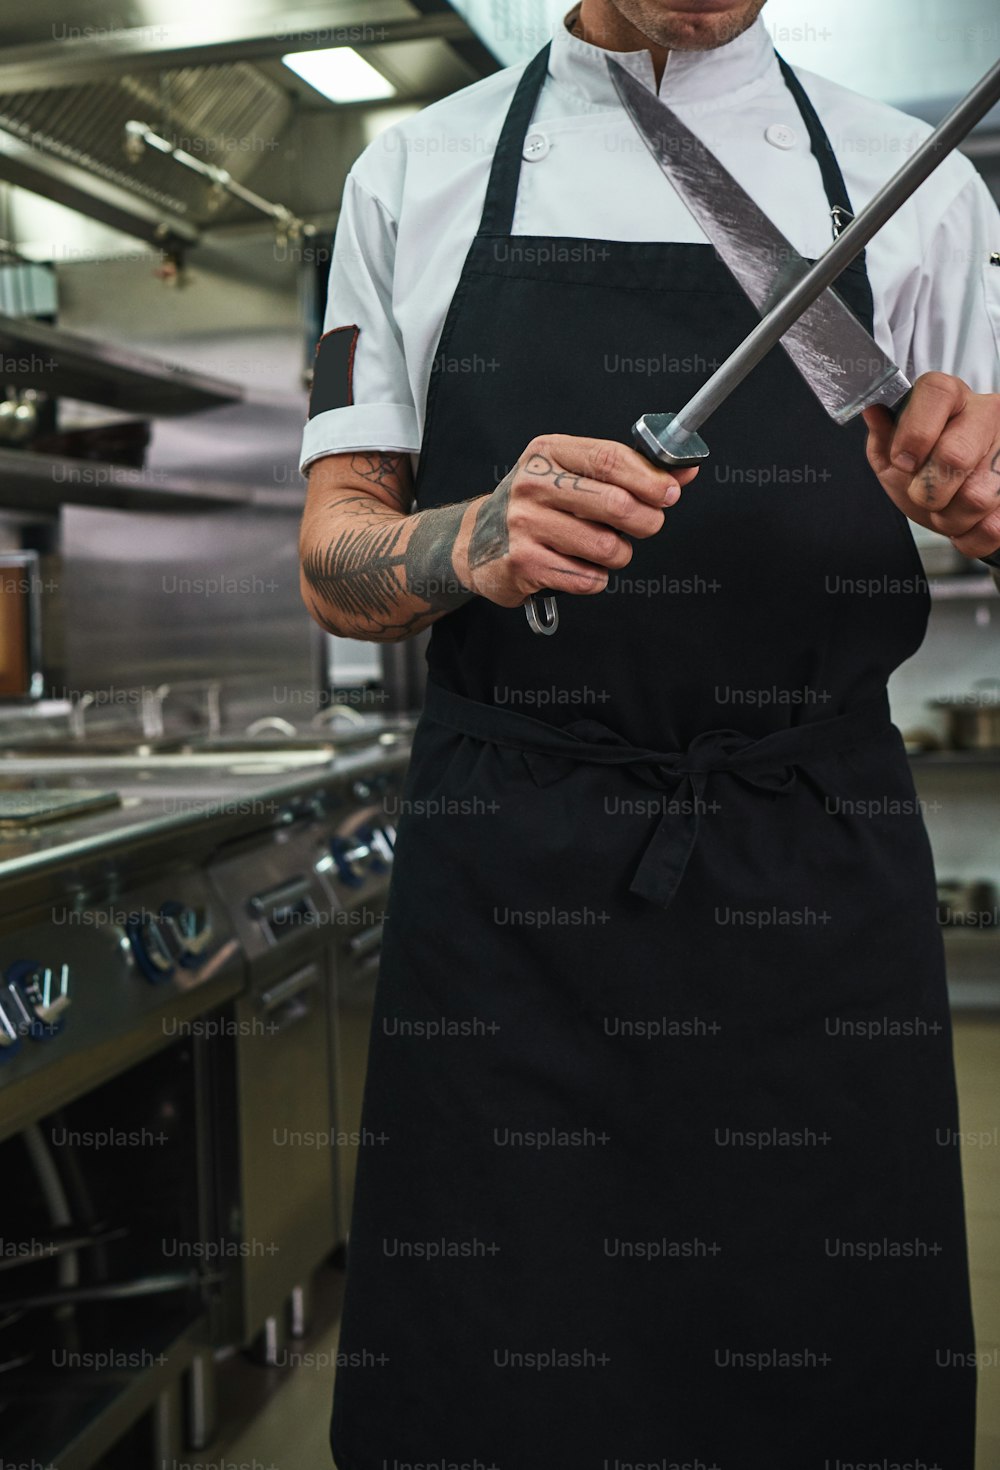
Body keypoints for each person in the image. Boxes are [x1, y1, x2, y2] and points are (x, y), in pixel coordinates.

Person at [298, 1, 1000, 1464]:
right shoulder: (415, 171)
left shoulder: (913, 183)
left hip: (817, 884)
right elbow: (333, 552)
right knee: (494, 1386)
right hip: (513, 902)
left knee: (833, 1382)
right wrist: (468, 539)